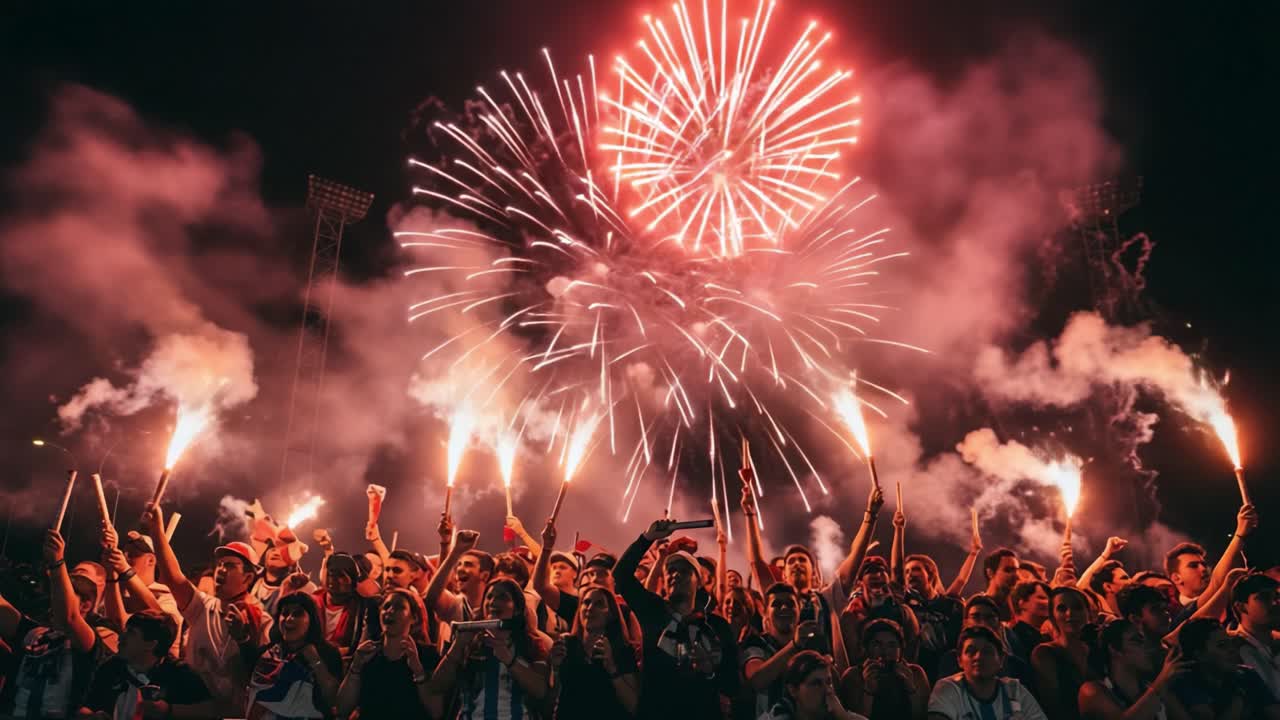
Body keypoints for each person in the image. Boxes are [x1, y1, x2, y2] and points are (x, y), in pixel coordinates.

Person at [744, 469, 882, 672]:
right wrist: (749, 513)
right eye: (791, 561)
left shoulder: (827, 598)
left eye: (802, 560)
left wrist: (870, 516)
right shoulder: (777, 599)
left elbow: (853, 561)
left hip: (827, 679)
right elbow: (756, 562)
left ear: (813, 571)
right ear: (784, 573)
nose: (797, 564)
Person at [141, 501, 272, 714]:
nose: (220, 569)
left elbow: (263, 671)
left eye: (230, 565)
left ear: (248, 577)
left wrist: (244, 639)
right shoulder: (202, 606)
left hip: (235, 715)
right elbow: (174, 577)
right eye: (220, 564)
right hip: (189, 709)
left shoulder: (262, 620)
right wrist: (157, 530)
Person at [613, 517, 740, 719]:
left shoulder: (715, 626)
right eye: (671, 570)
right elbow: (620, 576)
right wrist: (647, 538)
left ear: (699, 583)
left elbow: (733, 683)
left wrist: (710, 672)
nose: (675, 575)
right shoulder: (652, 610)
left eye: (684, 571)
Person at [1, 529, 109, 719]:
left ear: (85, 605)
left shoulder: (89, 640)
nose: (56, 598)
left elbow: (69, 618)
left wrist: (57, 562)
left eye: (66, 594)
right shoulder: (33, 632)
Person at [429, 577, 550, 719]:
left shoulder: (531, 643)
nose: (493, 602)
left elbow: (541, 691)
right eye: (489, 597)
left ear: (517, 609)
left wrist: (509, 660)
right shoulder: (470, 643)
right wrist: (458, 645)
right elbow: (437, 687)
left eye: (502, 597)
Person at [80, 609, 214, 720]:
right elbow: (85, 707)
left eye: (131, 633)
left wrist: (170, 710)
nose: (121, 637)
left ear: (150, 644)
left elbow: (211, 710)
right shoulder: (112, 667)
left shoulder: (179, 673)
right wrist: (92, 716)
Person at [235, 591, 342, 720]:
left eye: (297, 614)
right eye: (285, 613)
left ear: (311, 620)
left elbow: (334, 700)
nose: (289, 618)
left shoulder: (327, 653)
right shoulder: (268, 653)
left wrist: (315, 661)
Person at [337, 588, 441, 720]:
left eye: (399, 607)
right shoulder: (367, 654)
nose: (390, 611)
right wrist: (356, 667)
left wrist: (418, 670)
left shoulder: (427, 654)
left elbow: (437, 711)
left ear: (414, 618)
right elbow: (342, 709)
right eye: (386, 606)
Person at [546, 584, 639, 719]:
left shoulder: (622, 649)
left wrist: (612, 668)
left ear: (611, 614)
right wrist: (554, 668)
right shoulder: (567, 644)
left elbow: (633, 705)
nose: (590, 608)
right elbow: (549, 702)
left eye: (599, 604)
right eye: (586, 602)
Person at [1076, 618, 1191, 720]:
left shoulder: (1152, 687)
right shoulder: (1092, 691)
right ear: (1115, 650)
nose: (1146, 647)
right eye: (1137, 641)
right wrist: (1161, 683)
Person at [928, 626, 1047, 720]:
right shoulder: (948, 689)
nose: (978, 657)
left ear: (1001, 660)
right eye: (971, 651)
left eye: (987, 651)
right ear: (959, 660)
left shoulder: (1015, 690)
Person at [1170, 617, 1280, 719]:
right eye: (1222, 645)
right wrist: (1239, 695)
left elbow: (1274, 712)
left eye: (1231, 643)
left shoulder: (1246, 674)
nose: (1232, 650)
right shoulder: (1186, 683)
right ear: (1199, 655)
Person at [1165, 504, 1257, 624]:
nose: (1203, 569)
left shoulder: (1232, 602)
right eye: (1193, 566)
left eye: (1203, 564)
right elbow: (1216, 585)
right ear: (1176, 578)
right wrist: (1239, 534)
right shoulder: (1170, 614)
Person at [743, 583, 816, 719]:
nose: (784, 608)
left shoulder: (812, 645)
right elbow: (757, 680)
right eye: (776, 604)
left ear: (799, 610)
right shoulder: (756, 643)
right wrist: (795, 645)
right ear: (765, 613)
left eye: (790, 604)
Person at [839, 618, 929, 719]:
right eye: (877, 645)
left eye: (892, 645)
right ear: (867, 648)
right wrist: (868, 691)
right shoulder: (853, 675)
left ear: (901, 649)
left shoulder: (916, 673)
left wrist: (911, 689)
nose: (885, 652)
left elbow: (922, 716)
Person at [840, 556, 921, 664]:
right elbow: (854, 657)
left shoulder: (903, 612)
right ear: (859, 582)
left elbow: (912, 649)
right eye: (870, 571)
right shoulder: (851, 615)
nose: (877, 575)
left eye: (882, 570)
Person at [1032, 586, 1096, 720]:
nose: (1070, 613)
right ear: (1053, 616)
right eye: (1062, 608)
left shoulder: (1098, 648)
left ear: (1088, 612)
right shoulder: (1045, 653)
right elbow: (1052, 706)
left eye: (1077, 607)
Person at [900, 553, 963, 683]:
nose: (910, 574)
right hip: (916, 677)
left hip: (949, 676)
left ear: (931, 573)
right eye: (906, 571)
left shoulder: (952, 606)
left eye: (916, 569)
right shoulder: (905, 608)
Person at [759, 650, 869, 720]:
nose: (828, 690)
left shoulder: (840, 716)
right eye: (816, 684)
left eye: (829, 682)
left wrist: (844, 716)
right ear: (793, 690)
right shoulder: (774, 717)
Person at [311, 552, 380, 656]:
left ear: (353, 580)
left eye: (341, 575)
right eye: (331, 574)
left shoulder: (361, 607)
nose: (334, 579)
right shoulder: (312, 602)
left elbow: (360, 646)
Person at [425, 529, 494, 628]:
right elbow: (431, 598)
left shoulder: (495, 606)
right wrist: (455, 553)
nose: (460, 569)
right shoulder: (455, 605)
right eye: (459, 564)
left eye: (468, 565)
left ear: (485, 575)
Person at [1228, 573, 1280, 699]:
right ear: (1241, 607)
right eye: (1264, 597)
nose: (1275, 603)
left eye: (1277, 597)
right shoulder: (1230, 649)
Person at [1116, 585, 1173, 677]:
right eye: (1156, 609)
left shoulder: (1163, 643)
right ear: (1135, 619)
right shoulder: (1133, 655)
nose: (1166, 614)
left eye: (1165, 609)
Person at [1006, 580, 1051, 666]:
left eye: (1049, 599)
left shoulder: (1044, 637)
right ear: (1022, 603)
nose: (1048, 602)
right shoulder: (1015, 637)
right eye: (1041, 598)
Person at [981, 549, 1021, 623]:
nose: (1016, 576)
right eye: (1008, 570)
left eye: (1016, 571)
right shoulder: (981, 605)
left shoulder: (1016, 606)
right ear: (990, 573)